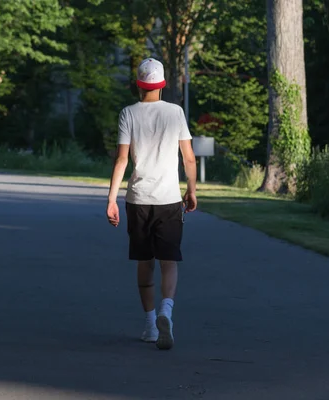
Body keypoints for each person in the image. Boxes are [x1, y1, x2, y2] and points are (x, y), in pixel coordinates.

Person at [106, 58, 198, 350]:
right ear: (161, 85)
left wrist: (111, 199)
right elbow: (189, 158)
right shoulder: (176, 112)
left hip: (139, 200)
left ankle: (149, 326)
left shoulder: (128, 113)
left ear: (138, 84)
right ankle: (165, 311)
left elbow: (121, 159)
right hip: (169, 198)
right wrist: (191, 190)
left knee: (145, 263)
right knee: (169, 262)